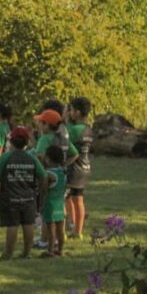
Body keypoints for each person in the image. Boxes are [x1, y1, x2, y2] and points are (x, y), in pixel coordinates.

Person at [0, 127, 54, 259]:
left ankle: (8, 253)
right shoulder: (31, 158)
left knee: (12, 225)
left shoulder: (5, 157)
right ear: (26, 142)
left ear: (11, 142)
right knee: (28, 224)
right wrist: (41, 192)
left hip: (10, 197)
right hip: (29, 197)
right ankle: (26, 253)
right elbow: (43, 176)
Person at [32, 109, 79, 250]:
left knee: (47, 212)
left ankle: (44, 240)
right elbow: (75, 154)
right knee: (59, 211)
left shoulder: (44, 139)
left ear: (46, 125)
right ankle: (58, 240)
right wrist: (63, 164)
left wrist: (41, 171)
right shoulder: (63, 138)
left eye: (41, 122)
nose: (39, 125)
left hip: (48, 177)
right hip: (61, 175)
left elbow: (39, 156)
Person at [65, 97, 93, 239]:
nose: (70, 113)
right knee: (78, 199)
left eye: (71, 110)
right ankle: (78, 231)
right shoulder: (88, 129)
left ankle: (70, 226)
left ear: (77, 112)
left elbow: (64, 135)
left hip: (74, 167)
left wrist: (65, 118)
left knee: (66, 197)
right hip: (85, 166)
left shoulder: (74, 129)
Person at [41, 146, 68, 257]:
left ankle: (50, 251)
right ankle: (60, 250)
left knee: (51, 230)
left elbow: (44, 190)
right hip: (60, 203)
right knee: (61, 230)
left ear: (48, 158)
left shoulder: (48, 174)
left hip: (50, 203)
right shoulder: (63, 172)